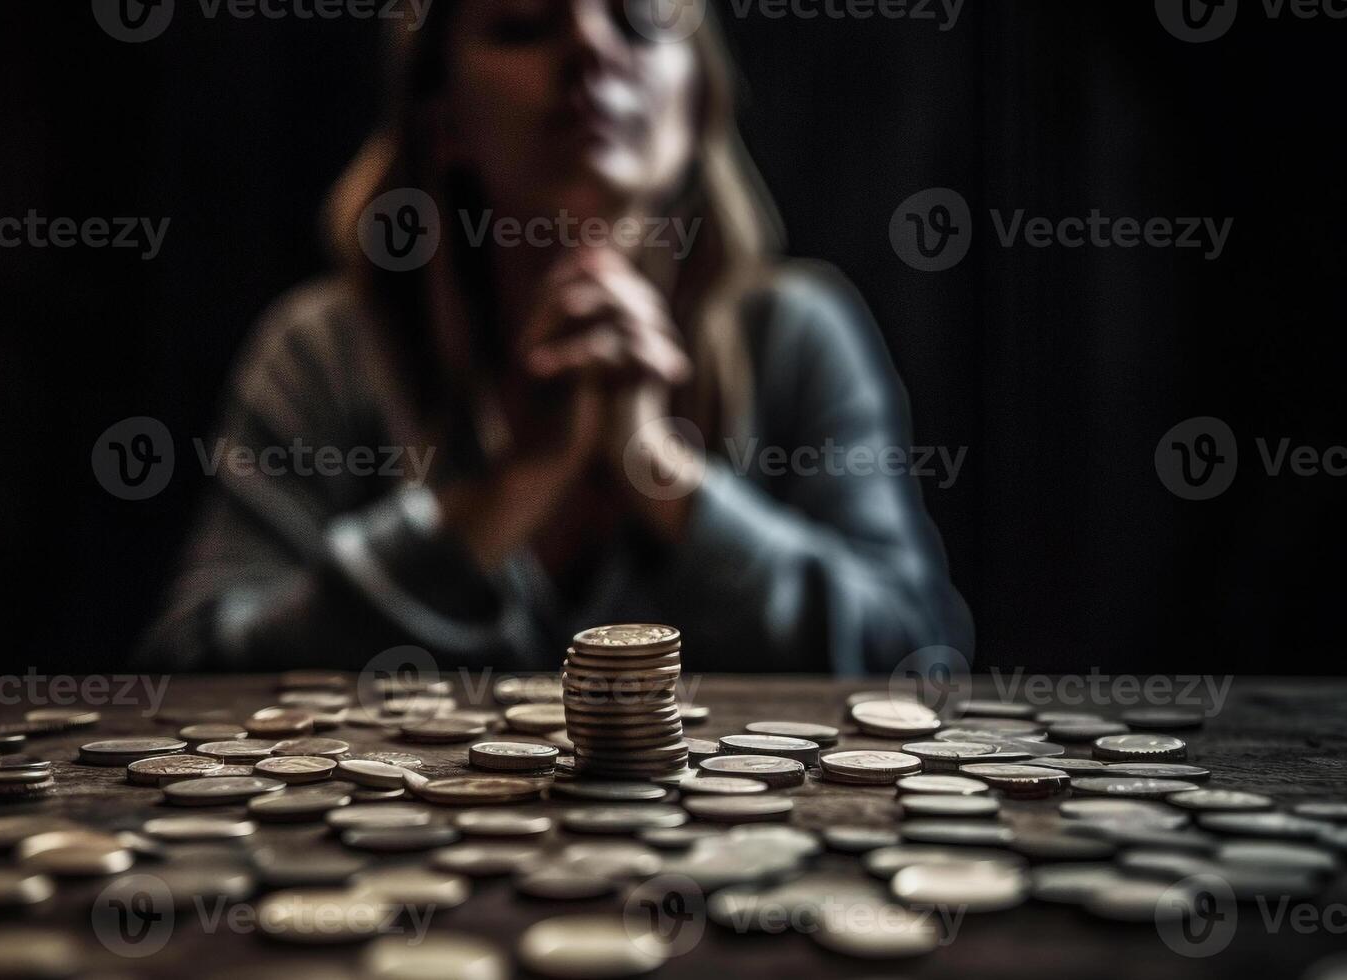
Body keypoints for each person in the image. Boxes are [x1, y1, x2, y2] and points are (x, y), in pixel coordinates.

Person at [144, 0, 972, 674]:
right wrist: (507, 489)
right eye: (521, 27)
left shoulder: (798, 333)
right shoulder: (324, 350)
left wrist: (660, 472)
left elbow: (919, 658)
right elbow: (197, 668)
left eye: (642, 20)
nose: (588, 46)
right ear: (442, 122)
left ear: (697, 99)